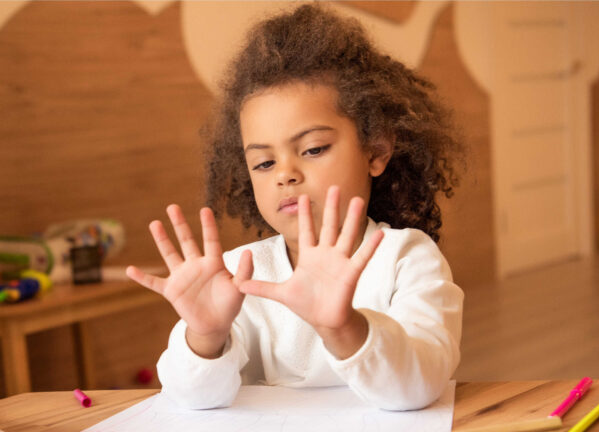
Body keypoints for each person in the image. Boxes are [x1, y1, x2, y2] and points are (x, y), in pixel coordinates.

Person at [126, 3, 464, 411]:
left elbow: (420, 385)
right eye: (264, 163)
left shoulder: (406, 258)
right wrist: (206, 336)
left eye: (313, 149)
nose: (284, 174)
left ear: (376, 150)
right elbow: (190, 401)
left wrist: (343, 328)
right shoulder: (239, 276)